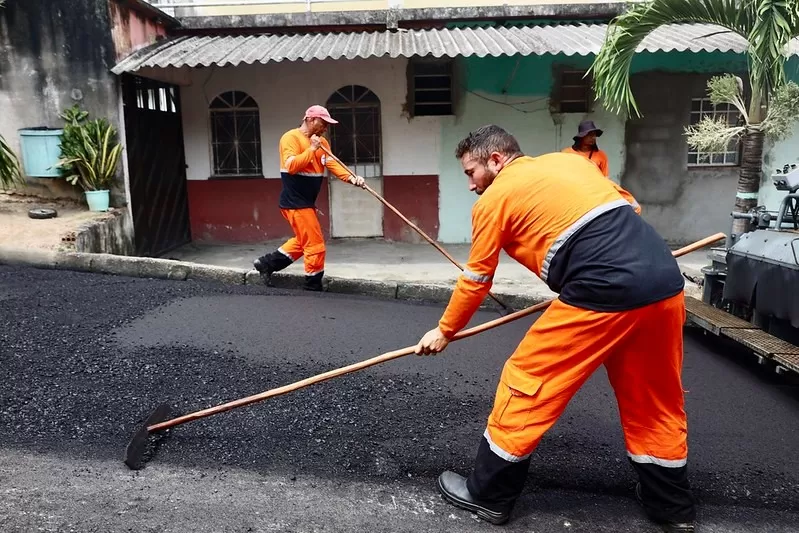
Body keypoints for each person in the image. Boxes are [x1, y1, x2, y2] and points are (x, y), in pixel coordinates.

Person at [414, 125, 695, 533]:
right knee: (653, 398)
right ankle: (672, 505)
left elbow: (476, 278)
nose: (471, 185)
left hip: (602, 288)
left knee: (528, 381)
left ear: (495, 160)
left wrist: (445, 330)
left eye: (470, 172)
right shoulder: (570, 164)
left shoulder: (495, 198)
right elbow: (629, 208)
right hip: (663, 282)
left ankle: (489, 496)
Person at [254, 105, 365, 291]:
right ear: (310, 119)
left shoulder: (323, 143)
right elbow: (291, 166)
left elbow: (333, 163)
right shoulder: (290, 138)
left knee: (302, 241)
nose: (325, 128)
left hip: (305, 202)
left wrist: (352, 178)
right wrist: (312, 149)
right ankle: (313, 284)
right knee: (315, 244)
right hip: (295, 202)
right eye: (323, 123)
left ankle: (266, 264)